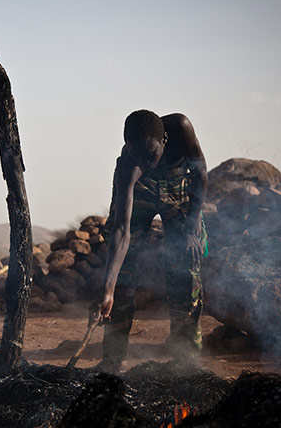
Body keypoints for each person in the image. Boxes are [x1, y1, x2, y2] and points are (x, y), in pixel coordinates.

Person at [92, 109, 208, 372]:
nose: (146, 163)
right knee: (122, 271)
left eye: (151, 156)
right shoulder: (129, 168)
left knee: (184, 265)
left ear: (165, 139)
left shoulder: (181, 128)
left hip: (178, 183)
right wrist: (108, 289)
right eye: (138, 157)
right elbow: (122, 230)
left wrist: (191, 227)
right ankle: (112, 361)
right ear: (128, 146)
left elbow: (201, 174)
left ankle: (186, 359)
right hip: (140, 190)